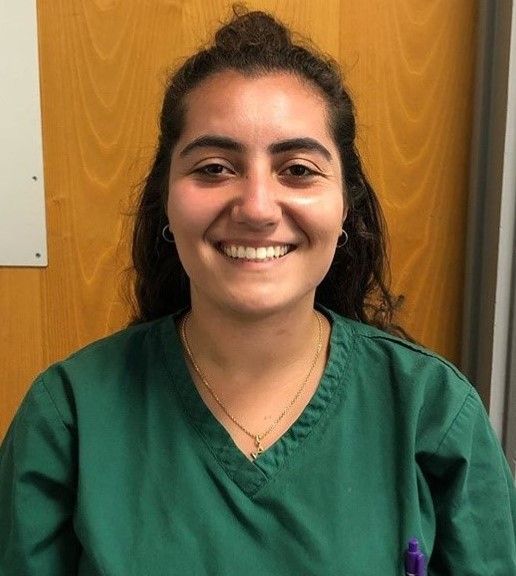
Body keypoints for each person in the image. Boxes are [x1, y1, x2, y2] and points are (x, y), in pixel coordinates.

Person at [0, 7, 515, 575]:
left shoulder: (432, 412)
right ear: (166, 200)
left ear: (346, 206)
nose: (257, 208)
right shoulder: (68, 417)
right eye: (214, 168)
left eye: (298, 169)